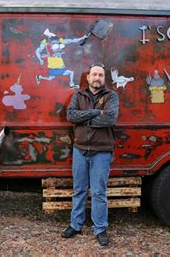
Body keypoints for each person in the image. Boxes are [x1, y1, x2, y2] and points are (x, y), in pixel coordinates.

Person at [61, 62, 119, 246]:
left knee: (98, 192)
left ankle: (100, 228)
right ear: (88, 77)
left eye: (100, 75)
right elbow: (71, 116)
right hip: (80, 150)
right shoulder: (78, 95)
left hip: (101, 152)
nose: (97, 78)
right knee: (79, 190)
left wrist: (84, 118)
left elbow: (109, 118)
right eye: (94, 74)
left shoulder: (111, 96)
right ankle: (75, 225)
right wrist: (95, 112)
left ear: (104, 78)